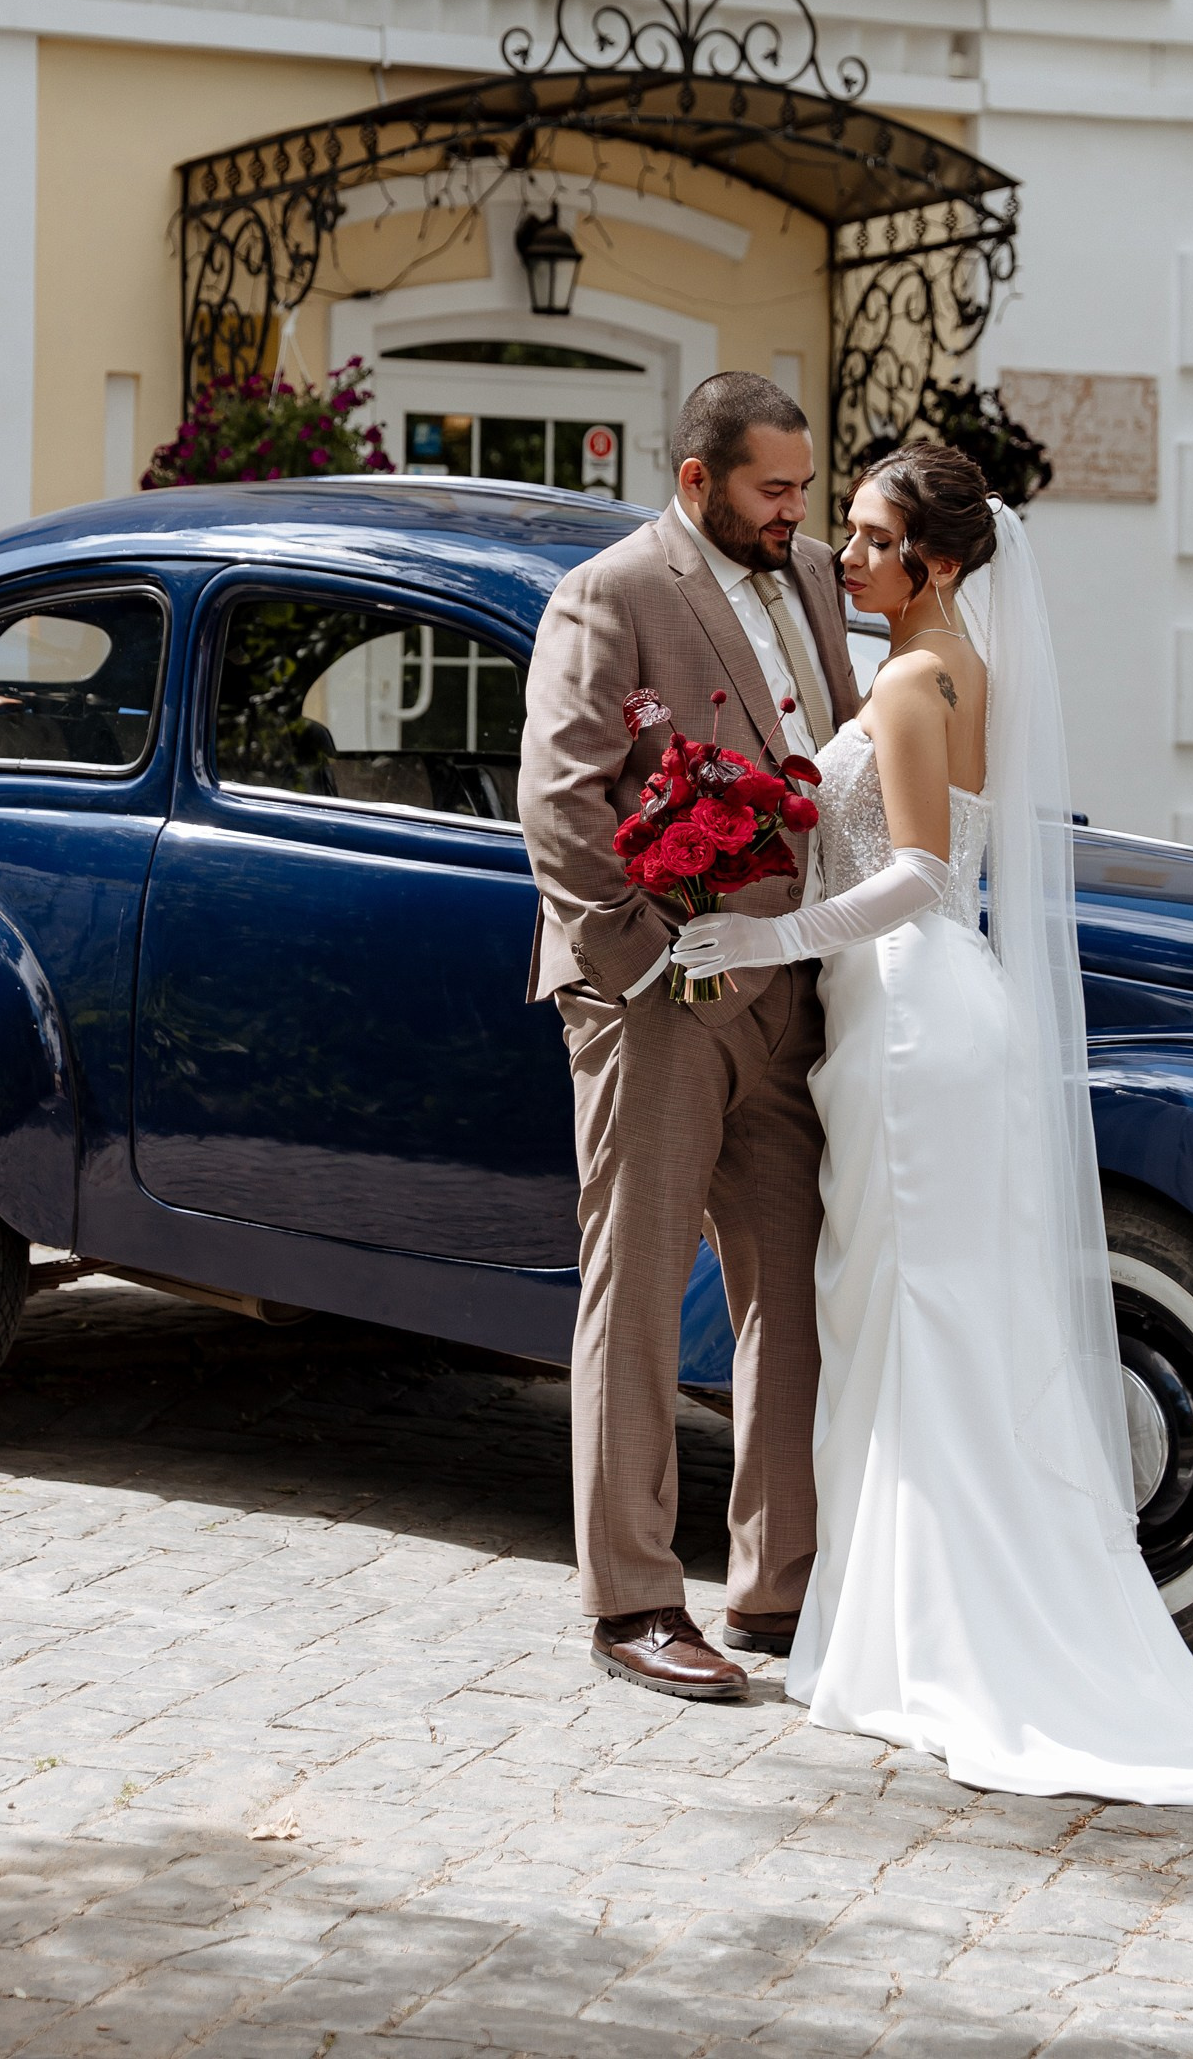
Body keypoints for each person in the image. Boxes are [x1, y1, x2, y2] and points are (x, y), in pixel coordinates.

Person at [672, 443, 1193, 1804]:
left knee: (913, 1320)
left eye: (872, 539)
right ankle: (905, 1620)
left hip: (911, 1019)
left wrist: (762, 933)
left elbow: (917, 874)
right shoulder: (964, 667)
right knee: (921, 1320)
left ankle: (929, 1642)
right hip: (938, 1011)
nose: (847, 555)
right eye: (849, 532)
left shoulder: (909, 681)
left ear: (936, 563)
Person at [519, 372, 860, 1701]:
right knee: (641, 1286)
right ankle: (634, 1601)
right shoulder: (609, 593)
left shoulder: (814, 575)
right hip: (657, 997)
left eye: (804, 487)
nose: (795, 512)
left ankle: (777, 1588)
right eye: (773, 489)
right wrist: (648, 963)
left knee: (793, 1285)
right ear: (697, 481)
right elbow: (561, 804)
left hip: (796, 983)